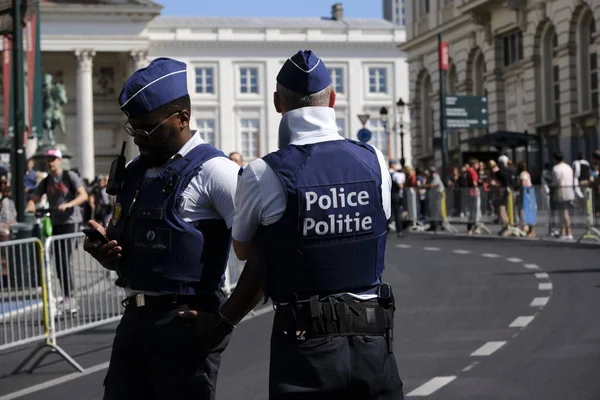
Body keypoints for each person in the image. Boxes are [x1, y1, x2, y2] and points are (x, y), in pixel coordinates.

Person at [180, 50, 404, 399]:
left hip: (306, 347)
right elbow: (378, 223)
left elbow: (243, 249)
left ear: (276, 102)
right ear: (332, 98)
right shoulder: (373, 160)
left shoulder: (263, 172)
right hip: (373, 343)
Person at [82, 58, 240, 399]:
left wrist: (224, 322)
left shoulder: (216, 172)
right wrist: (106, 253)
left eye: (148, 129)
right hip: (134, 323)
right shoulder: (136, 172)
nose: (139, 138)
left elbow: (262, 252)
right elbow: (126, 242)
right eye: (133, 128)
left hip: (184, 324)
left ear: (182, 118)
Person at [26, 148, 88, 314]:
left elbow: (83, 196)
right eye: (48, 159)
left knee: (65, 259)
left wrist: (68, 204)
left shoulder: (69, 176)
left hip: (70, 221)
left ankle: (71, 297)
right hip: (56, 222)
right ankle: (67, 296)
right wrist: (31, 204)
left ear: (60, 161)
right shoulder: (46, 181)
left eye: (53, 159)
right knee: (58, 261)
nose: (50, 162)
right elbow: (35, 198)